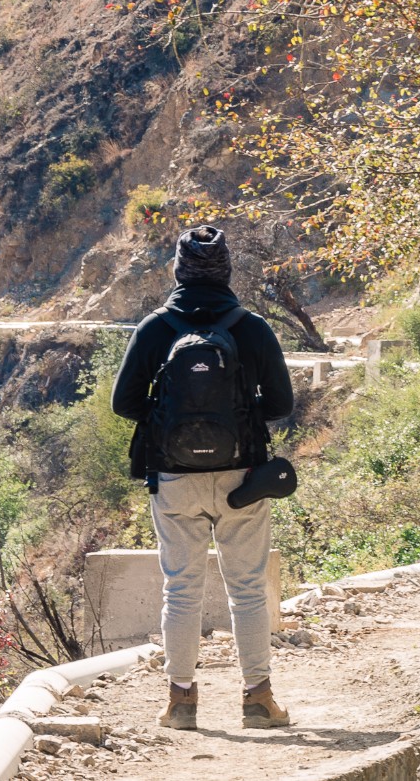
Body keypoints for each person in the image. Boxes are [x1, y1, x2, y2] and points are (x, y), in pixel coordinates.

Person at [111, 225, 295, 731]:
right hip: (243, 478)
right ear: (227, 271)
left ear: (178, 269)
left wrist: (172, 415)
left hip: (174, 479)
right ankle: (258, 699)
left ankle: (181, 702)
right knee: (248, 590)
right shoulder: (252, 327)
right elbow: (281, 404)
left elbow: (123, 403)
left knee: (181, 589)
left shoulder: (155, 328)